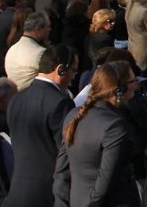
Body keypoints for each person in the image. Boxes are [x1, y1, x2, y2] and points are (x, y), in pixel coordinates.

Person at [53, 60, 142, 207]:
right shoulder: (114, 126)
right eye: (133, 81)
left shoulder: (73, 115)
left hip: (77, 200)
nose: (136, 84)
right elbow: (105, 181)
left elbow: (61, 171)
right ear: (119, 89)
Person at [5, 45, 78, 207]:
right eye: (73, 71)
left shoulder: (16, 99)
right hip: (48, 192)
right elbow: (68, 150)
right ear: (61, 70)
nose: (73, 77)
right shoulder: (61, 103)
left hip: (18, 189)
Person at [4, 11, 50, 90]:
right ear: (38, 29)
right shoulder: (40, 52)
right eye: (48, 26)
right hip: (33, 98)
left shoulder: (12, 49)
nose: (50, 29)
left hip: (14, 97)